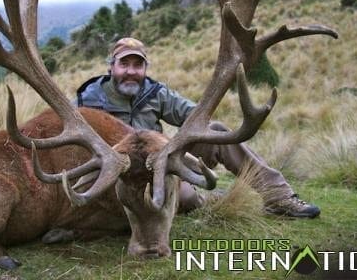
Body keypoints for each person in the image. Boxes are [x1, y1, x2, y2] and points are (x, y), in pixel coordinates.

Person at [76, 37, 320, 218]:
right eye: (124, 64)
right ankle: (205, 195)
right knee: (187, 198)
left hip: (160, 164)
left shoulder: (155, 93)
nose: (131, 71)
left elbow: (196, 116)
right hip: (119, 174)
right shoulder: (89, 99)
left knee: (215, 131)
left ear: (145, 69)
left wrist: (182, 139)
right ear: (111, 67)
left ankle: (278, 196)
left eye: (137, 65)